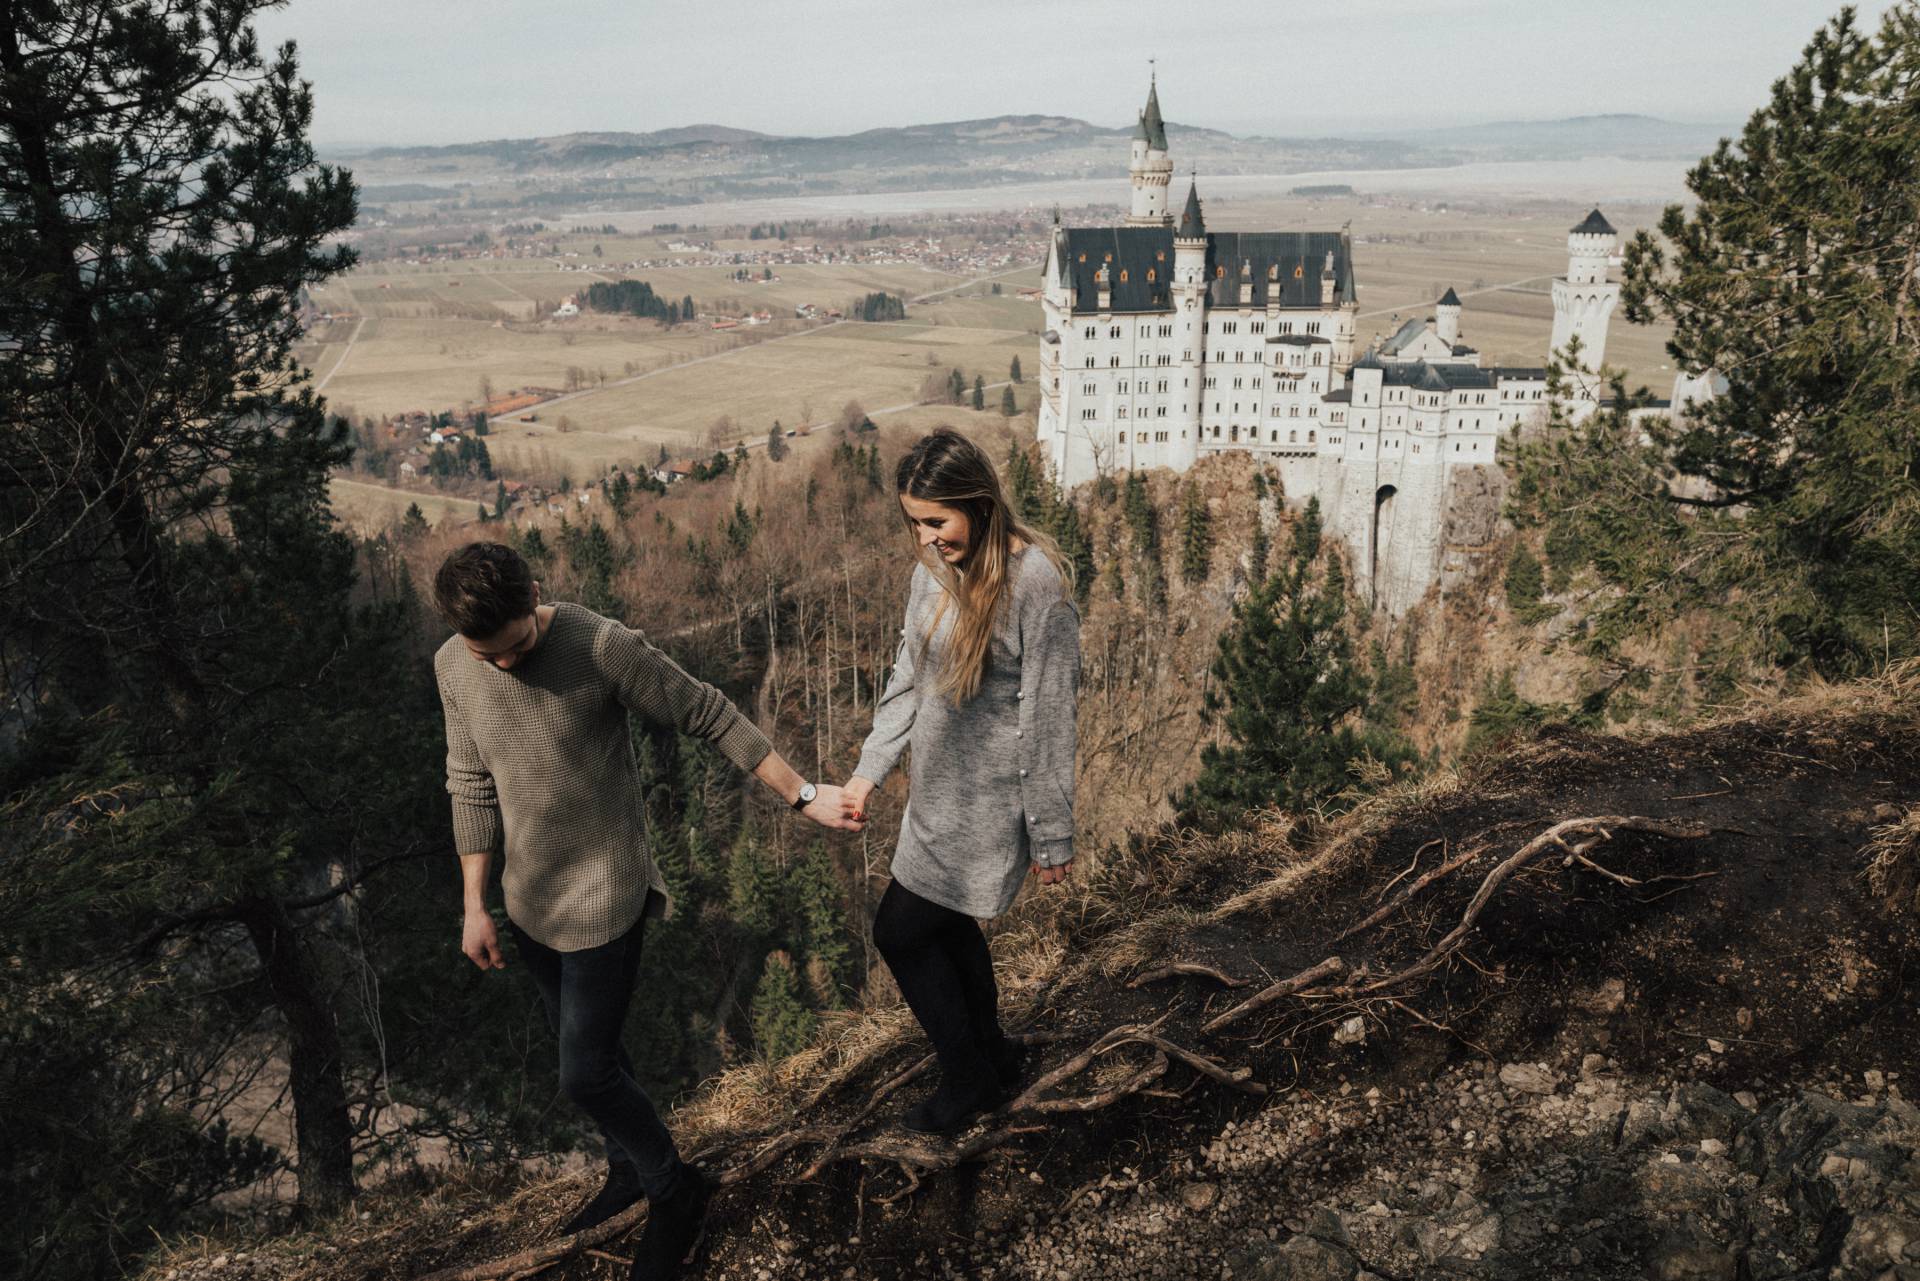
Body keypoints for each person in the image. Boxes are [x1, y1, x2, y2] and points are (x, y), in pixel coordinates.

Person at [430, 542, 860, 1280]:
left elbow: (708, 711)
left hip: (605, 897)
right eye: (487, 654)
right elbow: (468, 782)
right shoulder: (453, 665)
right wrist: (474, 902)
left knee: (583, 1072)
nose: (504, 664)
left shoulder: (599, 644)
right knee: (598, 1058)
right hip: (528, 904)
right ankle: (626, 1170)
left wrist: (802, 793)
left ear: (536, 593)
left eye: (516, 646)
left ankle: (674, 1189)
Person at [845, 428, 1081, 1134]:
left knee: (902, 931)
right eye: (914, 521)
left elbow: (1049, 719)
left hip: (988, 806)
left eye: (936, 521)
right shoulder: (934, 569)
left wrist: (1052, 832)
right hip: (933, 796)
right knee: (945, 930)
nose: (924, 538)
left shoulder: (1037, 587)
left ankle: (969, 1081)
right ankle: (995, 1054)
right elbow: (908, 676)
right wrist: (867, 773)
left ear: (978, 503)